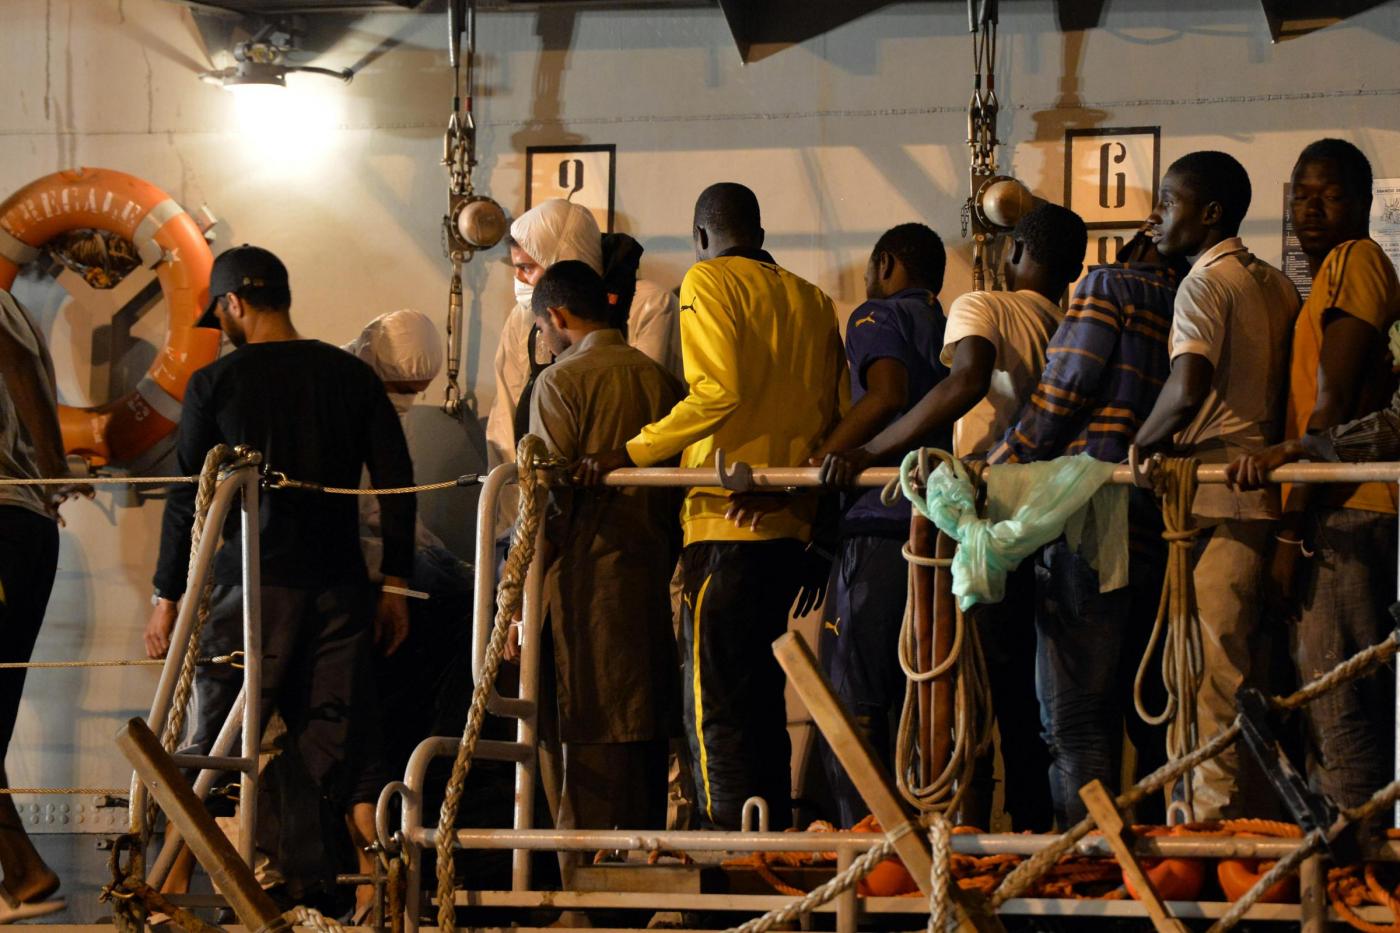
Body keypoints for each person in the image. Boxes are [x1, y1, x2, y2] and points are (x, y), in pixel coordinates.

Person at [145, 246, 416, 906]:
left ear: (233, 304)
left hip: (252, 592)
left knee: (212, 742)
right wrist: (395, 585)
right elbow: (398, 483)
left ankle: (167, 890)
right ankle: (379, 892)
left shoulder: (216, 382)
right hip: (339, 589)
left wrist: (166, 593)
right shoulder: (350, 376)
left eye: (221, 313)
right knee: (348, 741)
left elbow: (187, 497)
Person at [576, 182, 846, 831]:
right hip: (789, 526)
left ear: (701, 236)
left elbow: (717, 391)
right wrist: (814, 517)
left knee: (712, 707)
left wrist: (629, 452)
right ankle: (769, 845)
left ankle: (723, 853)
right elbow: (837, 416)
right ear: (760, 233)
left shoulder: (707, 281)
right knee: (762, 702)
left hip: (722, 521)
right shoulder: (813, 300)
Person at [820, 202, 1086, 830]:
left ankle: (934, 841)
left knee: (964, 694)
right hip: (1054, 524)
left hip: (982, 527)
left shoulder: (980, 306)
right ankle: (1030, 838)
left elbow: (961, 382)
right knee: (1029, 705)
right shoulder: (1072, 327)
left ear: (1013, 252)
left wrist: (866, 452)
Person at [984, 227, 1182, 828]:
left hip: (1090, 517)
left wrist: (998, 466)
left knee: (1074, 723)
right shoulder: (1187, 294)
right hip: (1157, 517)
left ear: (1144, 238)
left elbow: (1067, 385)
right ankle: (1148, 865)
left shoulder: (1108, 285)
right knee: (1145, 715)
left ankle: (1088, 865)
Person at [1227, 139, 1400, 820]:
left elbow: (1332, 408)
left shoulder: (1356, 261)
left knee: (1339, 705)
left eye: (1330, 195)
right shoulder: (1330, 273)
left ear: (1361, 203)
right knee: (1333, 702)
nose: (1311, 208)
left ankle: (1354, 866)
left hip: (1346, 509)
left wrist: (1291, 533)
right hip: (1340, 505)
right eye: (1301, 194)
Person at [1129, 152, 1300, 820]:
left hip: (1216, 494)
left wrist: (1141, 442)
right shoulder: (1276, 285)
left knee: (1207, 672)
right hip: (1259, 499)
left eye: (1168, 201)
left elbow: (1187, 388)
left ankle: (1209, 827)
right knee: (1236, 668)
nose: (1155, 216)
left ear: (1210, 214)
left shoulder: (1202, 284)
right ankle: (1235, 819)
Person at [514, 260, 683, 890]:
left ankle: (591, 898)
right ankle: (642, 888)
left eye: (542, 329)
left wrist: (516, 602)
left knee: (584, 743)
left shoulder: (560, 383)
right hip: (653, 582)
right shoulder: (663, 382)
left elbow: (544, 507)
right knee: (643, 740)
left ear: (556, 317)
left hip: (584, 588)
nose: (545, 340)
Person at [796, 223, 951, 828]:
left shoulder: (874, 315)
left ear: (885, 264)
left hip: (879, 523)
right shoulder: (945, 324)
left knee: (853, 697)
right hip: (935, 528)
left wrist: (822, 458)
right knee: (920, 699)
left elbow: (887, 393)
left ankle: (866, 846)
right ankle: (918, 838)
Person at [0, 288, 89, 923]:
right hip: (20, 521)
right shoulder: (13, 304)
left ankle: (25, 873)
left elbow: (16, 362)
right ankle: (23, 873)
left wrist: (53, 469)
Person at [485, 198, 682, 474]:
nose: (518, 278)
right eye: (515, 267)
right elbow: (507, 411)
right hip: (545, 476)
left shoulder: (647, 304)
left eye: (527, 267)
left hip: (621, 473)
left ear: (562, 259)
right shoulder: (521, 317)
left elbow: (643, 404)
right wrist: (511, 487)